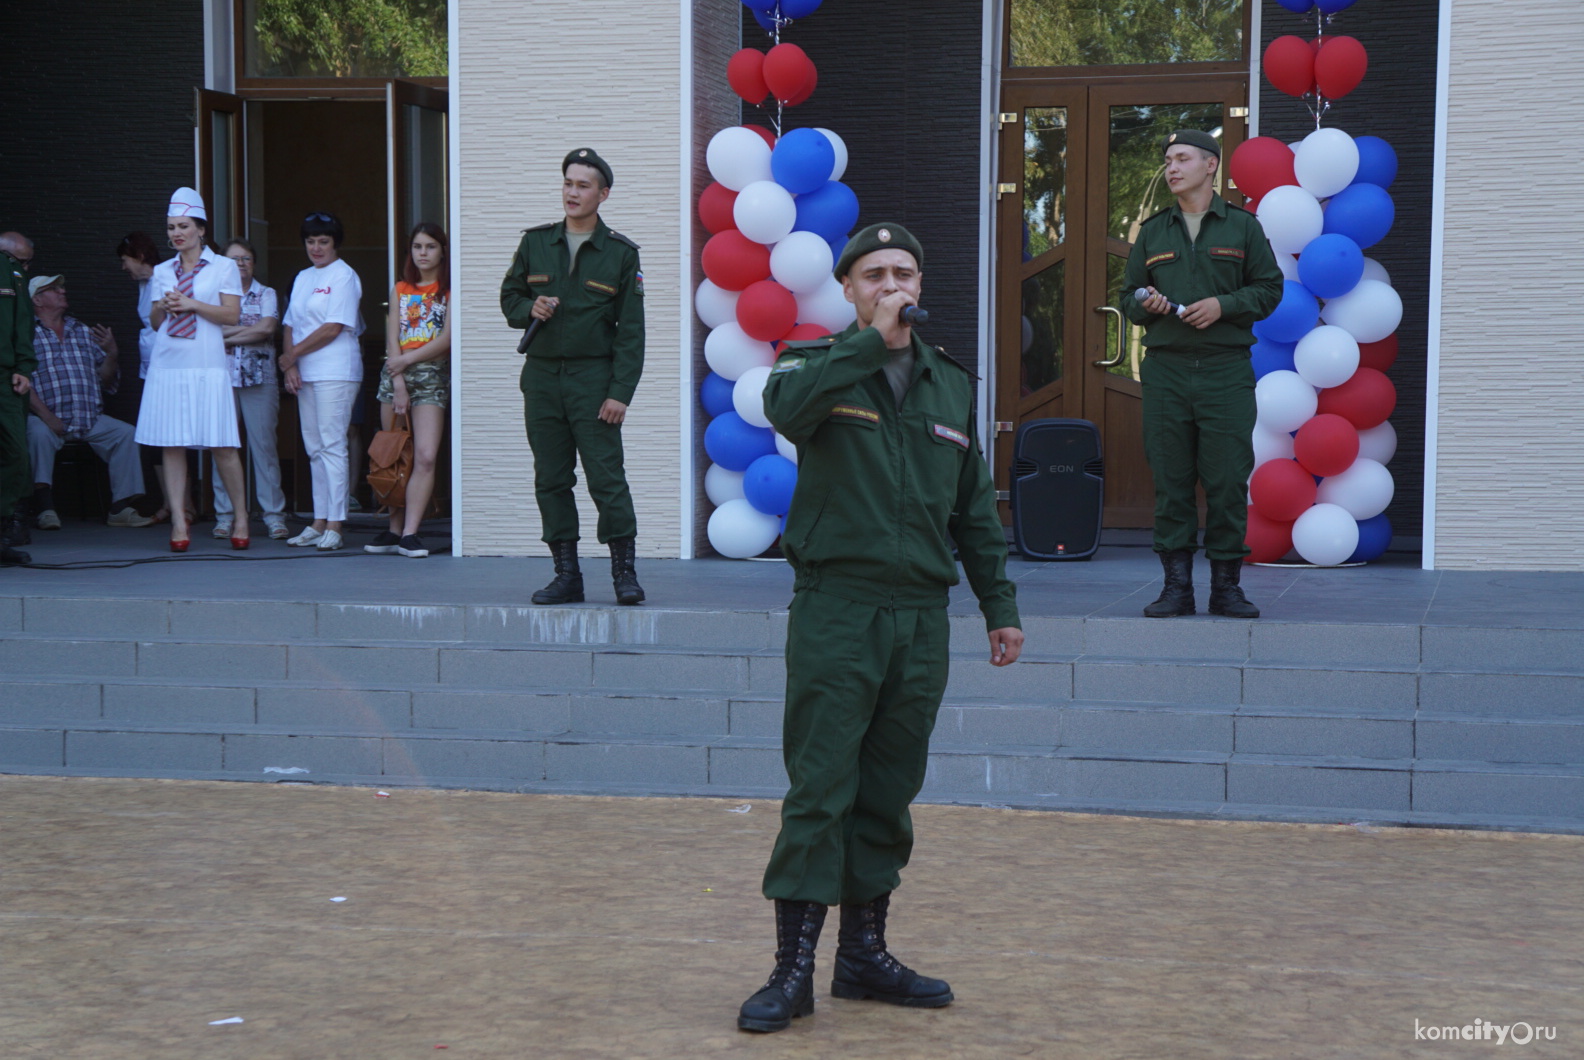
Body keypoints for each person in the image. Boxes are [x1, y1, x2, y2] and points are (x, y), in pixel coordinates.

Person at [739, 223, 1024, 1034]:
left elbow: (971, 508)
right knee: (822, 786)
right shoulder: (814, 364)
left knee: (888, 790)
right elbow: (786, 412)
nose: (892, 283)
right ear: (850, 290)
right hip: (840, 608)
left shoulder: (949, 384)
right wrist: (868, 345)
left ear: (921, 285)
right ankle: (791, 970)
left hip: (920, 618)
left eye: (904, 271)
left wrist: (998, 607)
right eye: (875, 274)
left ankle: (863, 956)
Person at [1120, 130, 1284, 619]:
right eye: (1168, 159)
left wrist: (1223, 305)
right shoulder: (1152, 231)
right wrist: (1143, 303)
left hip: (1225, 371)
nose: (1172, 167)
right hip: (1167, 371)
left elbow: (1270, 290)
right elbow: (1129, 296)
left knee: (1228, 480)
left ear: (1211, 165)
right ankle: (1176, 589)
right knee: (1171, 481)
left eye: (1182, 158)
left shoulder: (1242, 227)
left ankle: (1226, 588)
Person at [500, 148, 646, 605]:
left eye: (583, 185)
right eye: (568, 182)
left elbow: (632, 333)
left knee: (606, 477)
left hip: (593, 379)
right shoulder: (535, 243)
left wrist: (620, 393)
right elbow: (509, 299)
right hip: (542, 379)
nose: (572, 192)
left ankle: (624, 574)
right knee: (551, 478)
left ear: (603, 194)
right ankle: (567, 576)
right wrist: (529, 307)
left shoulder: (620, 254)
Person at [136, 189, 252, 552]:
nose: (176, 233)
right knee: (172, 444)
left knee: (222, 445)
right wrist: (166, 307)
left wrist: (192, 304)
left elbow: (231, 315)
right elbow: (155, 322)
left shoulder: (223, 267)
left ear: (201, 228)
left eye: (183, 226)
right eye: (171, 227)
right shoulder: (162, 270)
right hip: (169, 362)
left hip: (207, 362)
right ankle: (177, 521)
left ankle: (242, 517)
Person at [25, 275, 150, 529]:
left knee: (126, 434)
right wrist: (48, 418)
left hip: (88, 418)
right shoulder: (26, 334)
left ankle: (120, 509)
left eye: (62, 287)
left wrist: (112, 353)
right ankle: (45, 507)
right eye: (54, 289)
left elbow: (105, 381)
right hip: (46, 418)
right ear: (37, 300)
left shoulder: (80, 330)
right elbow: (21, 382)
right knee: (36, 433)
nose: (62, 291)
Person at [366, 222, 451, 559]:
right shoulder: (400, 288)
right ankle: (394, 528)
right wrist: (398, 378)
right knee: (392, 454)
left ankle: (411, 533)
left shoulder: (447, 290)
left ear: (442, 250)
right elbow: (392, 339)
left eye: (430, 246)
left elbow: (446, 339)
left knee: (426, 455)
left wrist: (407, 361)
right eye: (417, 247)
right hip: (395, 377)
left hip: (430, 374)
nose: (423, 253)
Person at [281, 211, 364, 552]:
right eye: (311, 241)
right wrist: (290, 365)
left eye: (323, 241)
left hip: (336, 370)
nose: (316, 248)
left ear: (335, 243)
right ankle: (318, 519)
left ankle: (336, 523)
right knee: (314, 448)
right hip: (306, 371)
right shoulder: (302, 277)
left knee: (332, 445)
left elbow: (333, 326)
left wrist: (292, 355)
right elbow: (289, 323)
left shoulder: (345, 276)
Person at [213, 238, 289, 541]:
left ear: (254, 264)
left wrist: (228, 335)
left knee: (264, 449)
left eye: (246, 259)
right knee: (222, 447)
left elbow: (267, 329)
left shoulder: (266, 293)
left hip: (260, 380)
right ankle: (224, 516)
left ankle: (274, 516)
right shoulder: (215, 297)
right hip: (221, 380)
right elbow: (211, 331)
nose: (240, 264)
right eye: (233, 259)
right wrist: (247, 331)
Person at [117, 231, 188, 528]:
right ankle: (174, 504)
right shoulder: (144, 284)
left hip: (169, 367)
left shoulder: (164, 276)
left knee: (171, 436)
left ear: (140, 256)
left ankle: (181, 505)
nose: (124, 268)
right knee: (156, 437)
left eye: (125, 260)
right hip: (151, 369)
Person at [0, 231, 36, 565]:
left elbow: (24, 324)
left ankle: (3, 531)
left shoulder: (13, 279)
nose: (24, 268)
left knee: (14, 453)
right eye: (20, 261)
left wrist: (24, 367)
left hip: (4, 375)